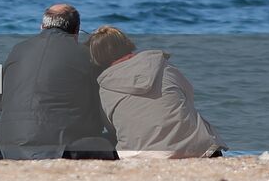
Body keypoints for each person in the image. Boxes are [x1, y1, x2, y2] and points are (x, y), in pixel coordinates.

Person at [0, 3, 116, 159]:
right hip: (61, 150)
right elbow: (101, 109)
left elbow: (2, 106)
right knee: (112, 141)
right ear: (76, 31)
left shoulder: (17, 50)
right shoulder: (87, 56)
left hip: (5, 148)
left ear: (42, 26)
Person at [87, 26, 224, 159]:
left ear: (98, 57)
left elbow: (113, 129)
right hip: (194, 150)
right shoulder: (163, 66)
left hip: (140, 155)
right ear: (126, 43)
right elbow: (189, 97)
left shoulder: (105, 88)